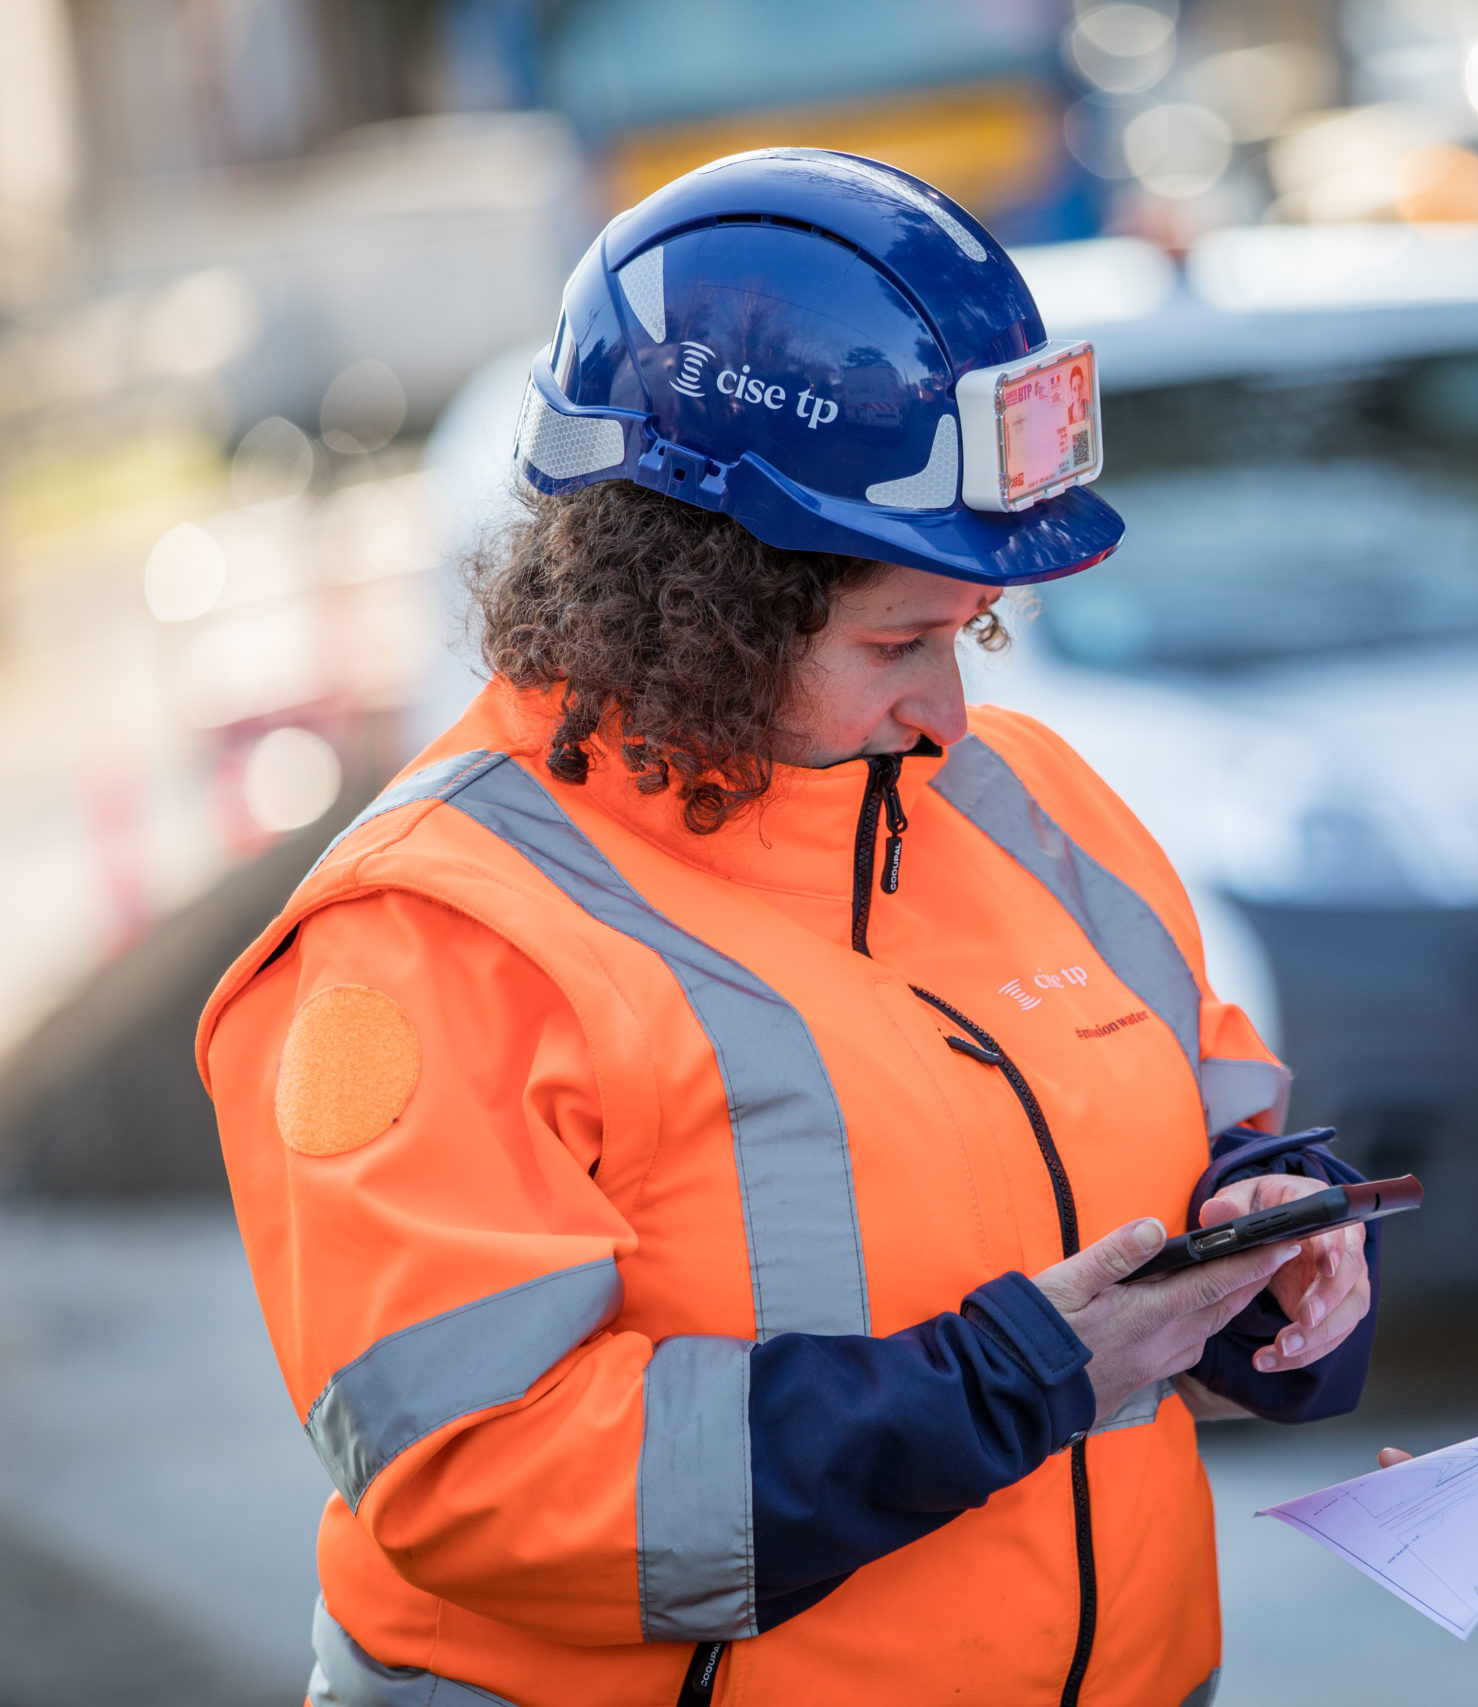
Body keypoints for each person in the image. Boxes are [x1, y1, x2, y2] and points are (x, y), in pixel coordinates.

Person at [198, 151, 1377, 1707]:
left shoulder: (1032, 803)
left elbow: (1204, 1139)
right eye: (897, 639)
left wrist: (1270, 1250)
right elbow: (479, 1476)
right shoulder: (430, 934)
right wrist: (1005, 1384)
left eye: (968, 632)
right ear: (698, 600)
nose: (948, 708)